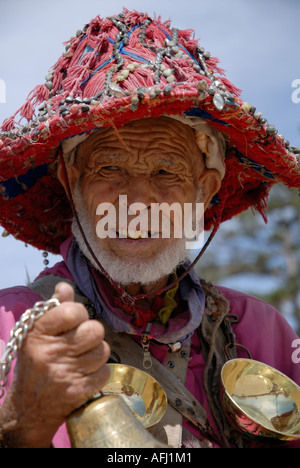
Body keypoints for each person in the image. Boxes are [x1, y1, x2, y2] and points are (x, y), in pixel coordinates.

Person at [0, 9, 299, 449]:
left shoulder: (263, 333)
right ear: (71, 181)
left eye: (166, 172)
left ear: (205, 190)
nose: (137, 201)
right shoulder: (12, 328)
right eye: (110, 168)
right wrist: (19, 426)